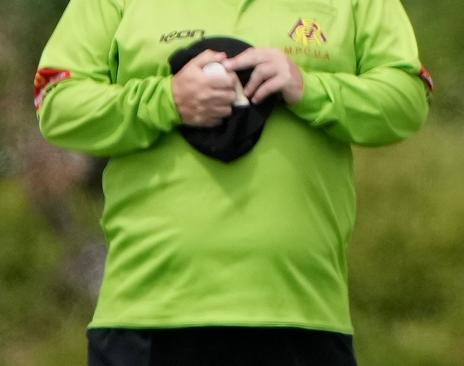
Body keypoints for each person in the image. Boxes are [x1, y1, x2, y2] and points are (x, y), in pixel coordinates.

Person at [34, 0, 432, 364]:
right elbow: (56, 101)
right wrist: (169, 98)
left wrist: (308, 87)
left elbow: (407, 96)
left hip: (302, 312)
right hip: (148, 313)